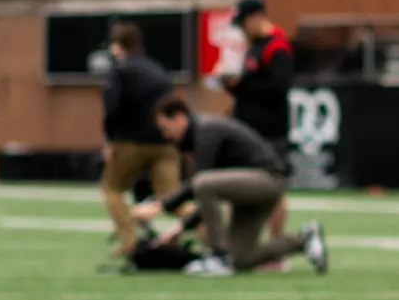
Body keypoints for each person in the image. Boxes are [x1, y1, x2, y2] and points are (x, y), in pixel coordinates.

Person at [132, 95, 327, 277]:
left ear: (179, 117)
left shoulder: (205, 131)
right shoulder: (199, 134)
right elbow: (203, 197)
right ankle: (302, 240)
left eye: (165, 127)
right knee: (241, 258)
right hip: (250, 188)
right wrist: (179, 229)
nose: (166, 135)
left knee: (203, 183)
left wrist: (160, 206)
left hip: (267, 179)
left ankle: (218, 256)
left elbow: (199, 184)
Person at [98, 22, 180, 262]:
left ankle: (130, 243)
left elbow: (112, 107)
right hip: (165, 143)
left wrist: (111, 139)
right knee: (173, 198)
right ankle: (206, 230)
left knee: (112, 189)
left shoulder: (119, 69)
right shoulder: (158, 69)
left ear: (117, 45)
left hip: (131, 141)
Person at [220, 0, 295, 237]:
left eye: (243, 23)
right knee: (237, 186)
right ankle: (239, 242)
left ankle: (276, 246)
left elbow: (279, 87)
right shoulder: (254, 47)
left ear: (257, 18)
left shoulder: (277, 47)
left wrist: (242, 86)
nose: (242, 29)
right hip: (248, 130)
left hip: (269, 132)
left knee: (274, 189)